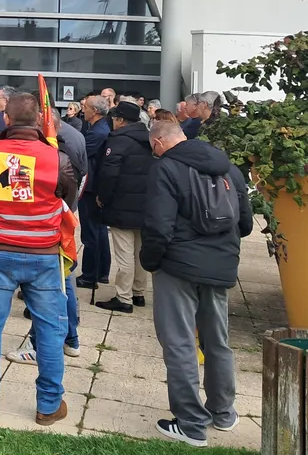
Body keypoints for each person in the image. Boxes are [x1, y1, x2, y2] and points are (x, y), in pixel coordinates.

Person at [0, 93, 77, 427]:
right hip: (43, 253)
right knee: (51, 331)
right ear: (41, 120)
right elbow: (69, 199)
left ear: (6, 119)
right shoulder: (57, 157)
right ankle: (48, 405)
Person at [141, 121, 253, 448]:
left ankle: (191, 423)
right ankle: (223, 411)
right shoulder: (229, 168)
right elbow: (245, 223)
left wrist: (151, 261)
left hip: (177, 267)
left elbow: (158, 225)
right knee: (217, 341)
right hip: (220, 265)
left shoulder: (165, 168)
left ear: (159, 143)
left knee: (179, 343)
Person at [6, 108, 86, 365]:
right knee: (65, 283)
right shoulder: (71, 141)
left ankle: (39, 344)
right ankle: (71, 338)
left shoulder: (55, 152)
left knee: (50, 290)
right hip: (60, 220)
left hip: (49, 226)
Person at [94, 101, 156, 314]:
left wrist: (102, 197)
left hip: (121, 205)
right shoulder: (149, 139)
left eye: (114, 118)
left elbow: (109, 174)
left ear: (120, 120)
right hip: (145, 204)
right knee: (139, 252)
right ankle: (138, 292)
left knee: (124, 254)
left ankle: (124, 297)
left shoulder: (118, 140)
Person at [76, 95, 111, 289]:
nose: (84, 110)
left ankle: (90, 275)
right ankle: (101, 272)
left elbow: (81, 154)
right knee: (98, 231)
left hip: (91, 188)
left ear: (95, 111)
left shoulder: (97, 132)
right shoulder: (98, 128)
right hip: (94, 186)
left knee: (91, 233)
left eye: (86, 107)